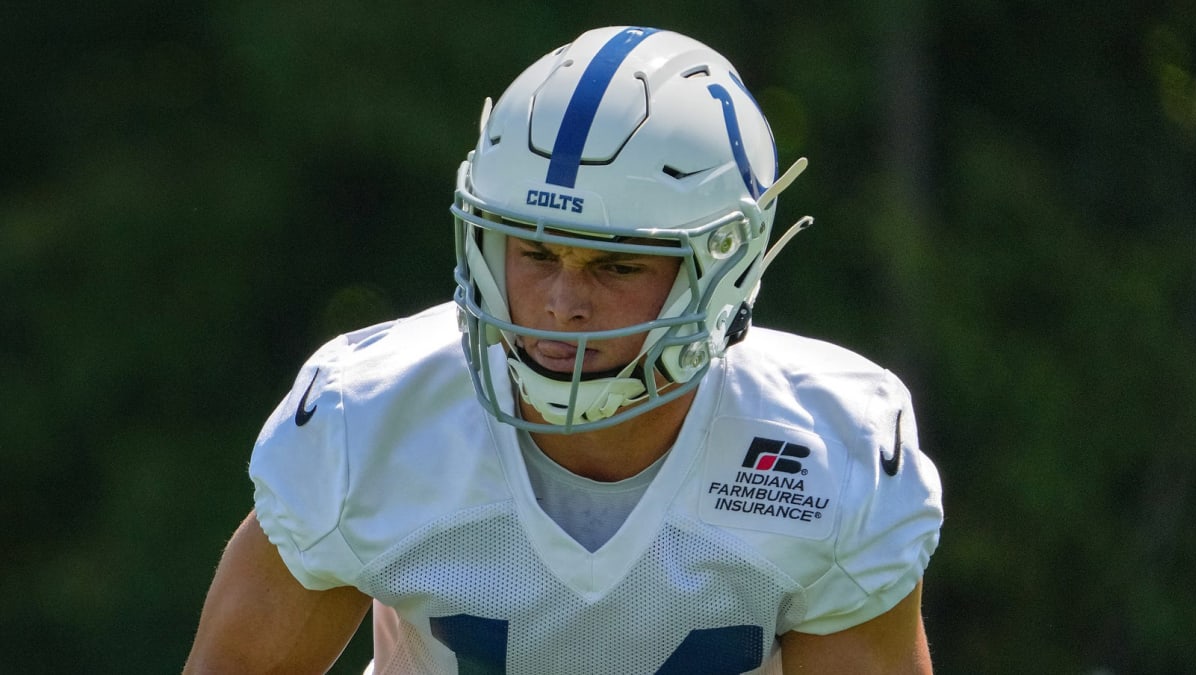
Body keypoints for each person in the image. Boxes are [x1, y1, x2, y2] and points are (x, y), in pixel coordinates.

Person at [184, 25, 942, 674]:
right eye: (536, 253)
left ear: (724, 266)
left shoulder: (827, 450)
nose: (561, 302)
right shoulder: (371, 418)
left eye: (616, 265)